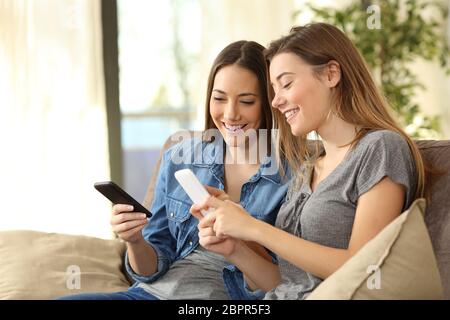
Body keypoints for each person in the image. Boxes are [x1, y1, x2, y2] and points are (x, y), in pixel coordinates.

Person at [191, 23, 426, 300]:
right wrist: (236, 246)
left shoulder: (380, 148)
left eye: (286, 84)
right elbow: (285, 283)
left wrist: (254, 228)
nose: (276, 101)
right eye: (274, 89)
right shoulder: (307, 170)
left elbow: (365, 267)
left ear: (331, 74)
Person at [59, 40, 289, 300]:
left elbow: (284, 284)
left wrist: (239, 235)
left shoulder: (291, 178)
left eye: (246, 101)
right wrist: (135, 241)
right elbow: (150, 269)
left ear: (271, 103)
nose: (230, 114)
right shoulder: (182, 158)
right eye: (219, 98)